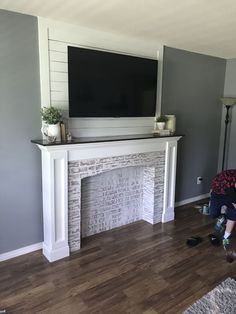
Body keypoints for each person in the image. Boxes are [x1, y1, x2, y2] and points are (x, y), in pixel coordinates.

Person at [209, 169, 236, 249]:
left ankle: (226, 236)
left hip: (230, 192)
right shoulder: (230, 182)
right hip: (218, 193)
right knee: (213, 214)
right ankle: (222, 218)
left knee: (234, 213)